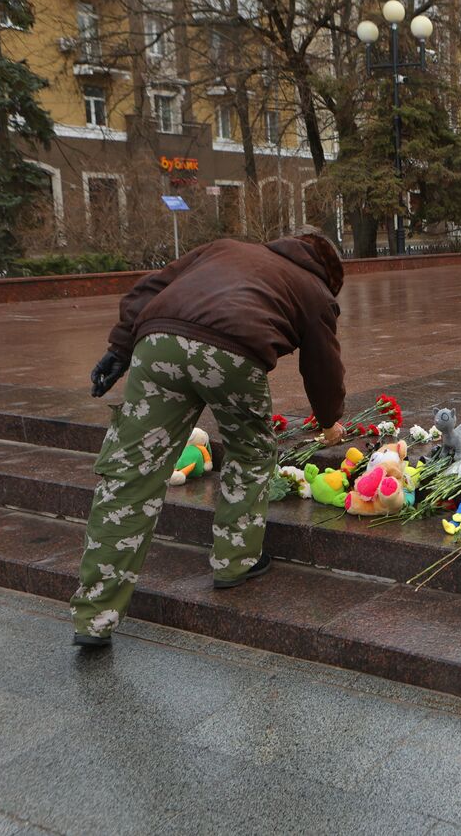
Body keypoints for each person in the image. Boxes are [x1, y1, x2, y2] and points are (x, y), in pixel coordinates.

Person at [70, 226, 347, 647]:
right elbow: (323, 366)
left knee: (130, 476)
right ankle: (234, 562)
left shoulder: (223, 248)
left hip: (157, 344)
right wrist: (329, 420)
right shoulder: (314, 289)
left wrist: (119, 349)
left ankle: (94, 617)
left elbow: (150, 288)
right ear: (330, 276)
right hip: (233, 353)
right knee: (251, 452)